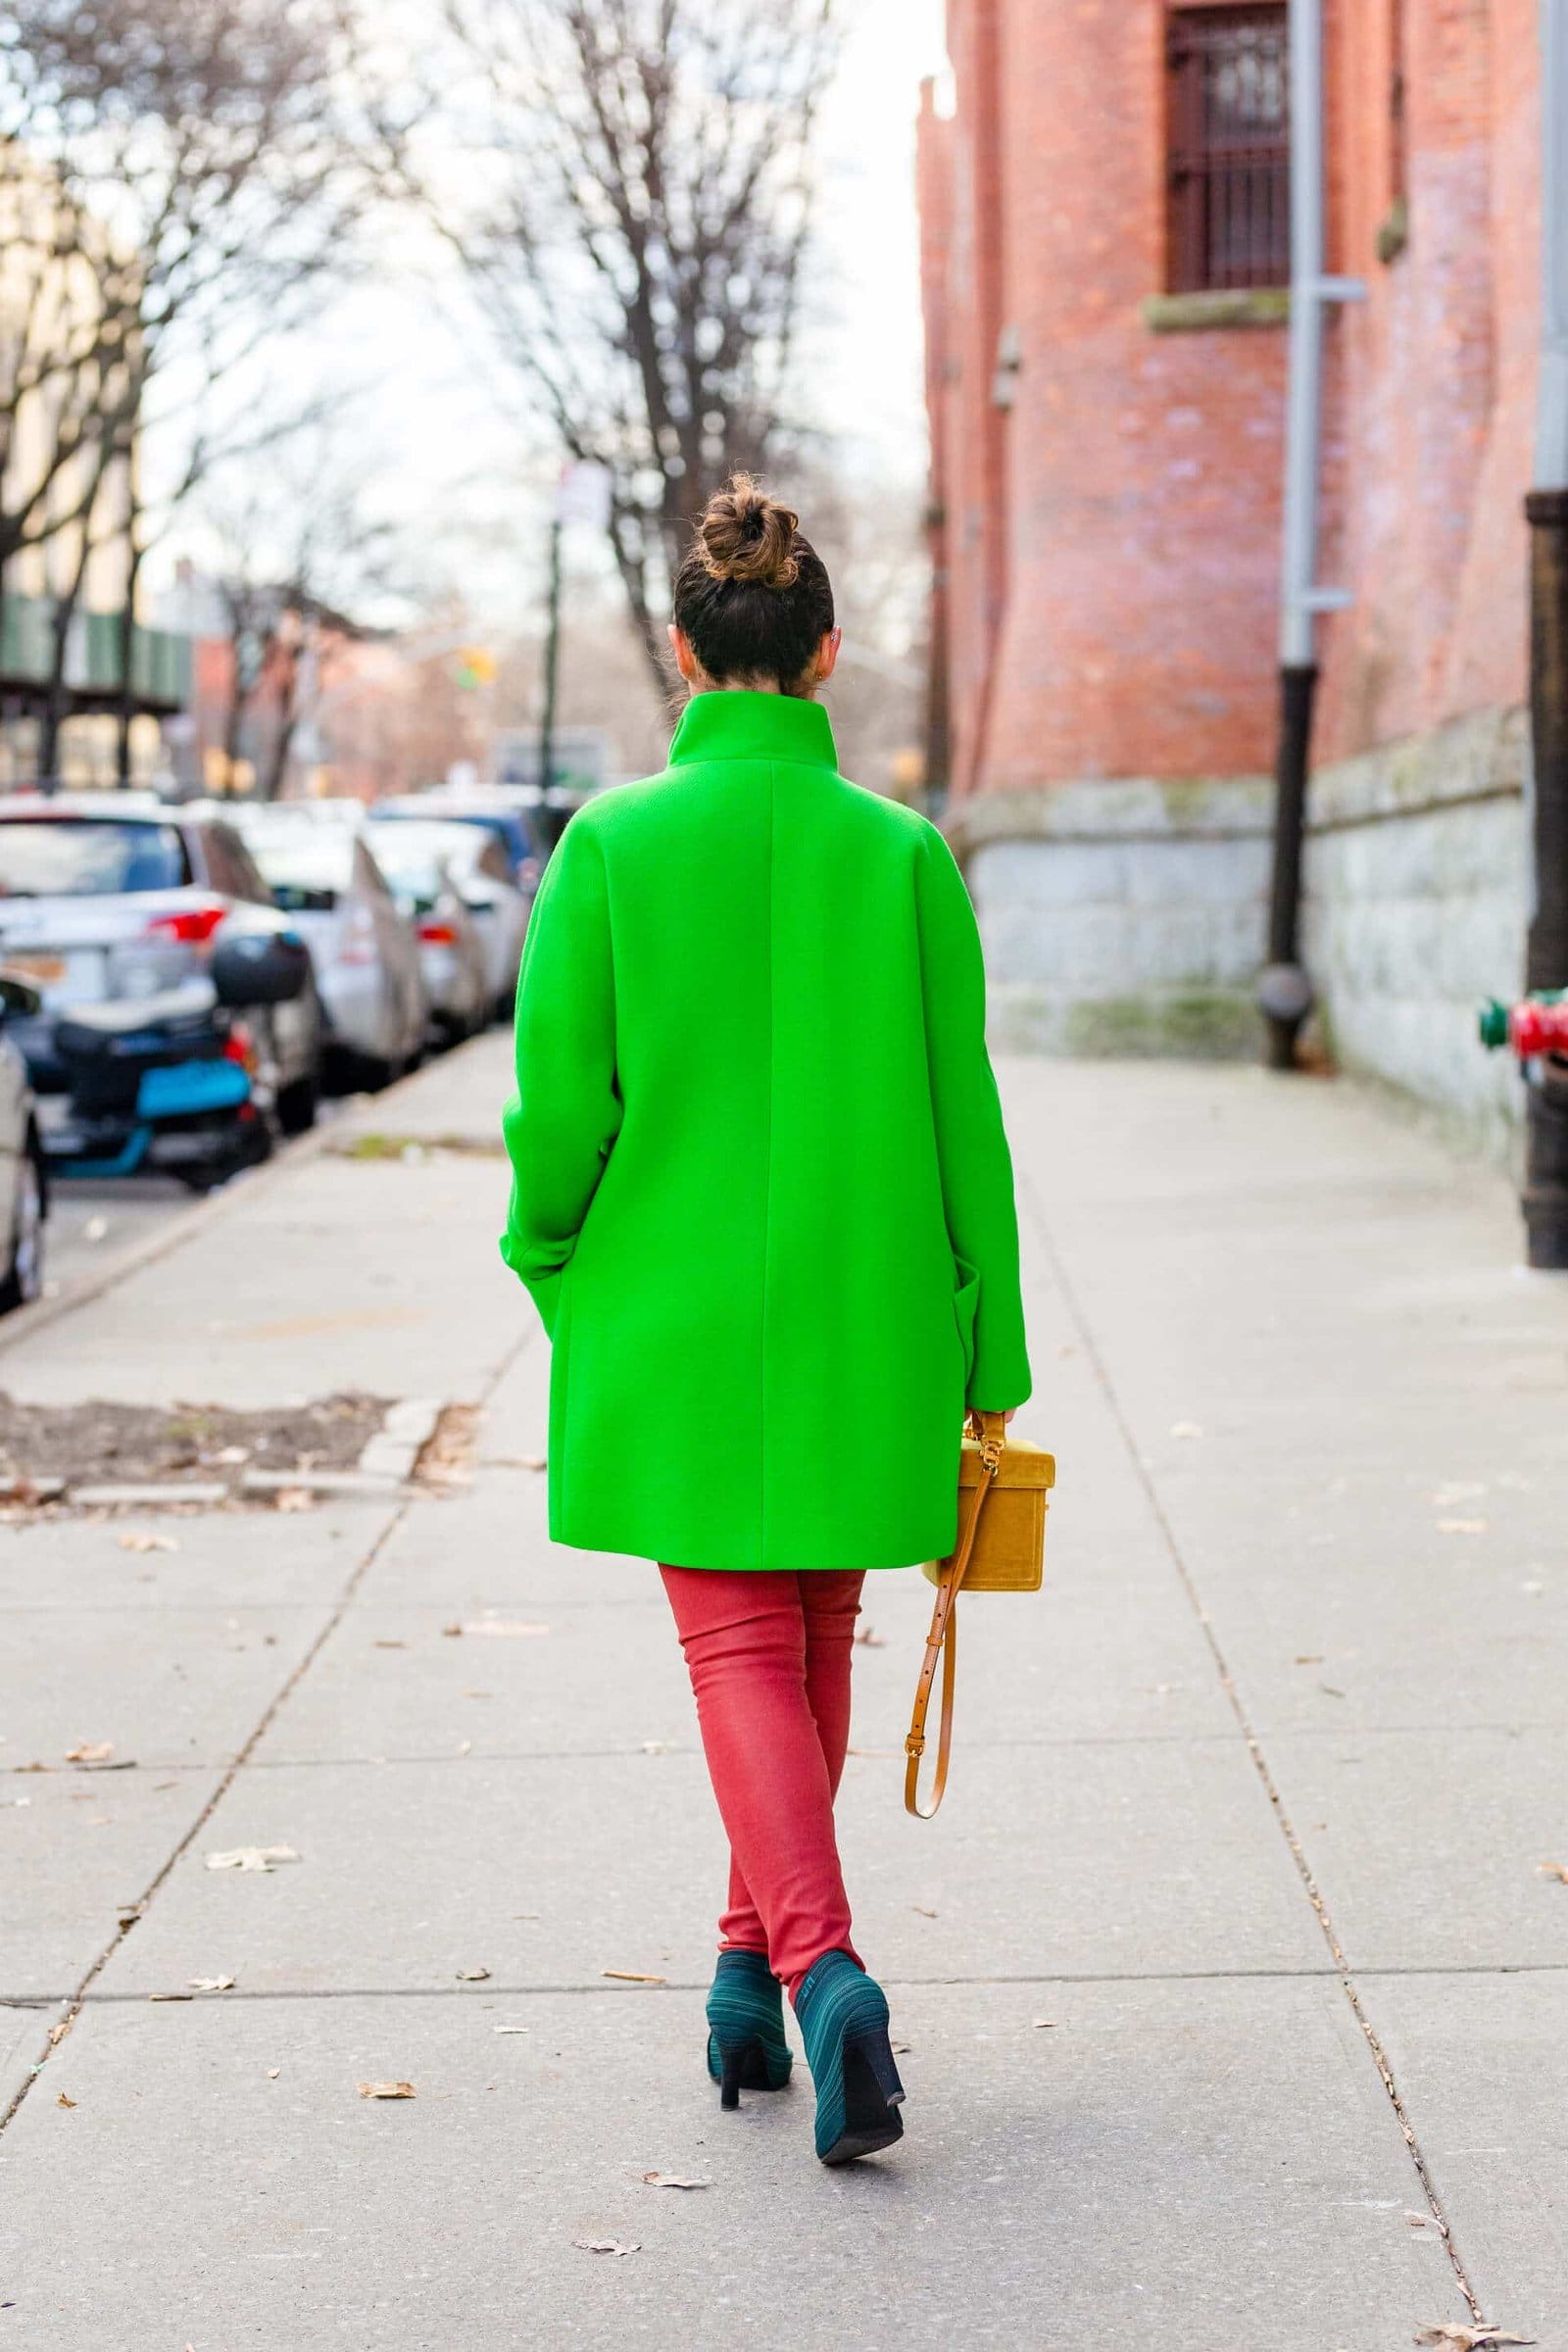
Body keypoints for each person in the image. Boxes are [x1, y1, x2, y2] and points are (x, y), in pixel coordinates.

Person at [500, 475, 1031, 2166]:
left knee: (742, 1647)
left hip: (672, 1310)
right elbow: (970, 1120)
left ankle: (819, 1967)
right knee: (805, 1644)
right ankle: (749, 1979)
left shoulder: (609, 849)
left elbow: (554, 1111)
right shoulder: (902, 858)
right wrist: (991, 1355)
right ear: (826, 652)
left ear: (681, 651)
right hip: (874, 1316)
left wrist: (554, 1264)